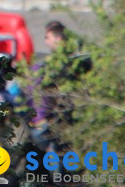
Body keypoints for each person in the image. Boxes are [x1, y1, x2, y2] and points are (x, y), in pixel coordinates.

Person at [27, 21, 92, 152]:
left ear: (58, 38)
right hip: (67, 116)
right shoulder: (72, 58)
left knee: (62, 154)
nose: (46, 41)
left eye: (47, 37)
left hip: (65, 116)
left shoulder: (63, 63)